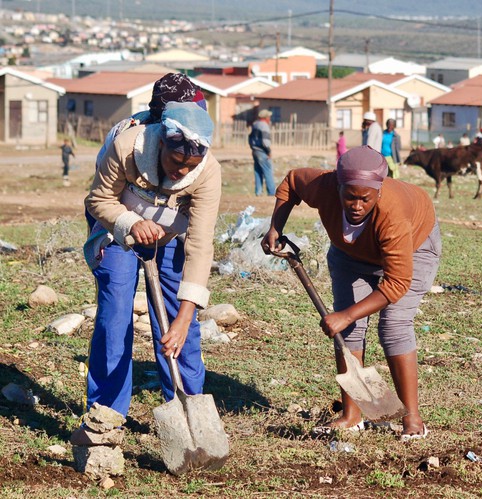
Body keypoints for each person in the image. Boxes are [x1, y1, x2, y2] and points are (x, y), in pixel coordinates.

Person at [261, 146, 441, 441]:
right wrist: (274, 227)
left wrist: (345, 315)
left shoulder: (393, 215)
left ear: (379, 193)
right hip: (350, 255)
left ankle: (413, 419)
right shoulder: (323, 186)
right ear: (338, 186)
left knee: (393, 325)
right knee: (349, 332)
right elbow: (291, 183)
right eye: (350, 196)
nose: (356, 205)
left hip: (415, 245)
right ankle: (351, 415)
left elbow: (396, 284)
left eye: (365, 199)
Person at [83, 101, 221, 420]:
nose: (181, 171)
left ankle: (188, 405)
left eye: (189, 167)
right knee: (115, 315)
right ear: (160, 142)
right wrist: (130, 223)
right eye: (175, 162)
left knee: (180, 324)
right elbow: (98, 200)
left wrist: (186, 317)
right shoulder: (127, 147)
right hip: (117, 229)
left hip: (171, 233)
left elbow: (200, 245)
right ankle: (105, 414)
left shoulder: (208, 173)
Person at [88, 73, 207, 231]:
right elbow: (103, 195)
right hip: (119, 212)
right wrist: (130, 223)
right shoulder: (126, 139)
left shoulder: (197, 143)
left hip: (171, 222)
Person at [249, 109, 276, 196]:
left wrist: (252, 148)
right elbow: (265, 141)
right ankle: (272, 193)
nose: (270, 118)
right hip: (262, 151)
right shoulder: (264, 126)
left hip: (255, 150)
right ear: (266, 117)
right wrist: (268, 151)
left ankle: (258, 192)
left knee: (258, 171)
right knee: (268, 170)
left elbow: (249, 138)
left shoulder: (255, 124)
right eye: (269, 117)